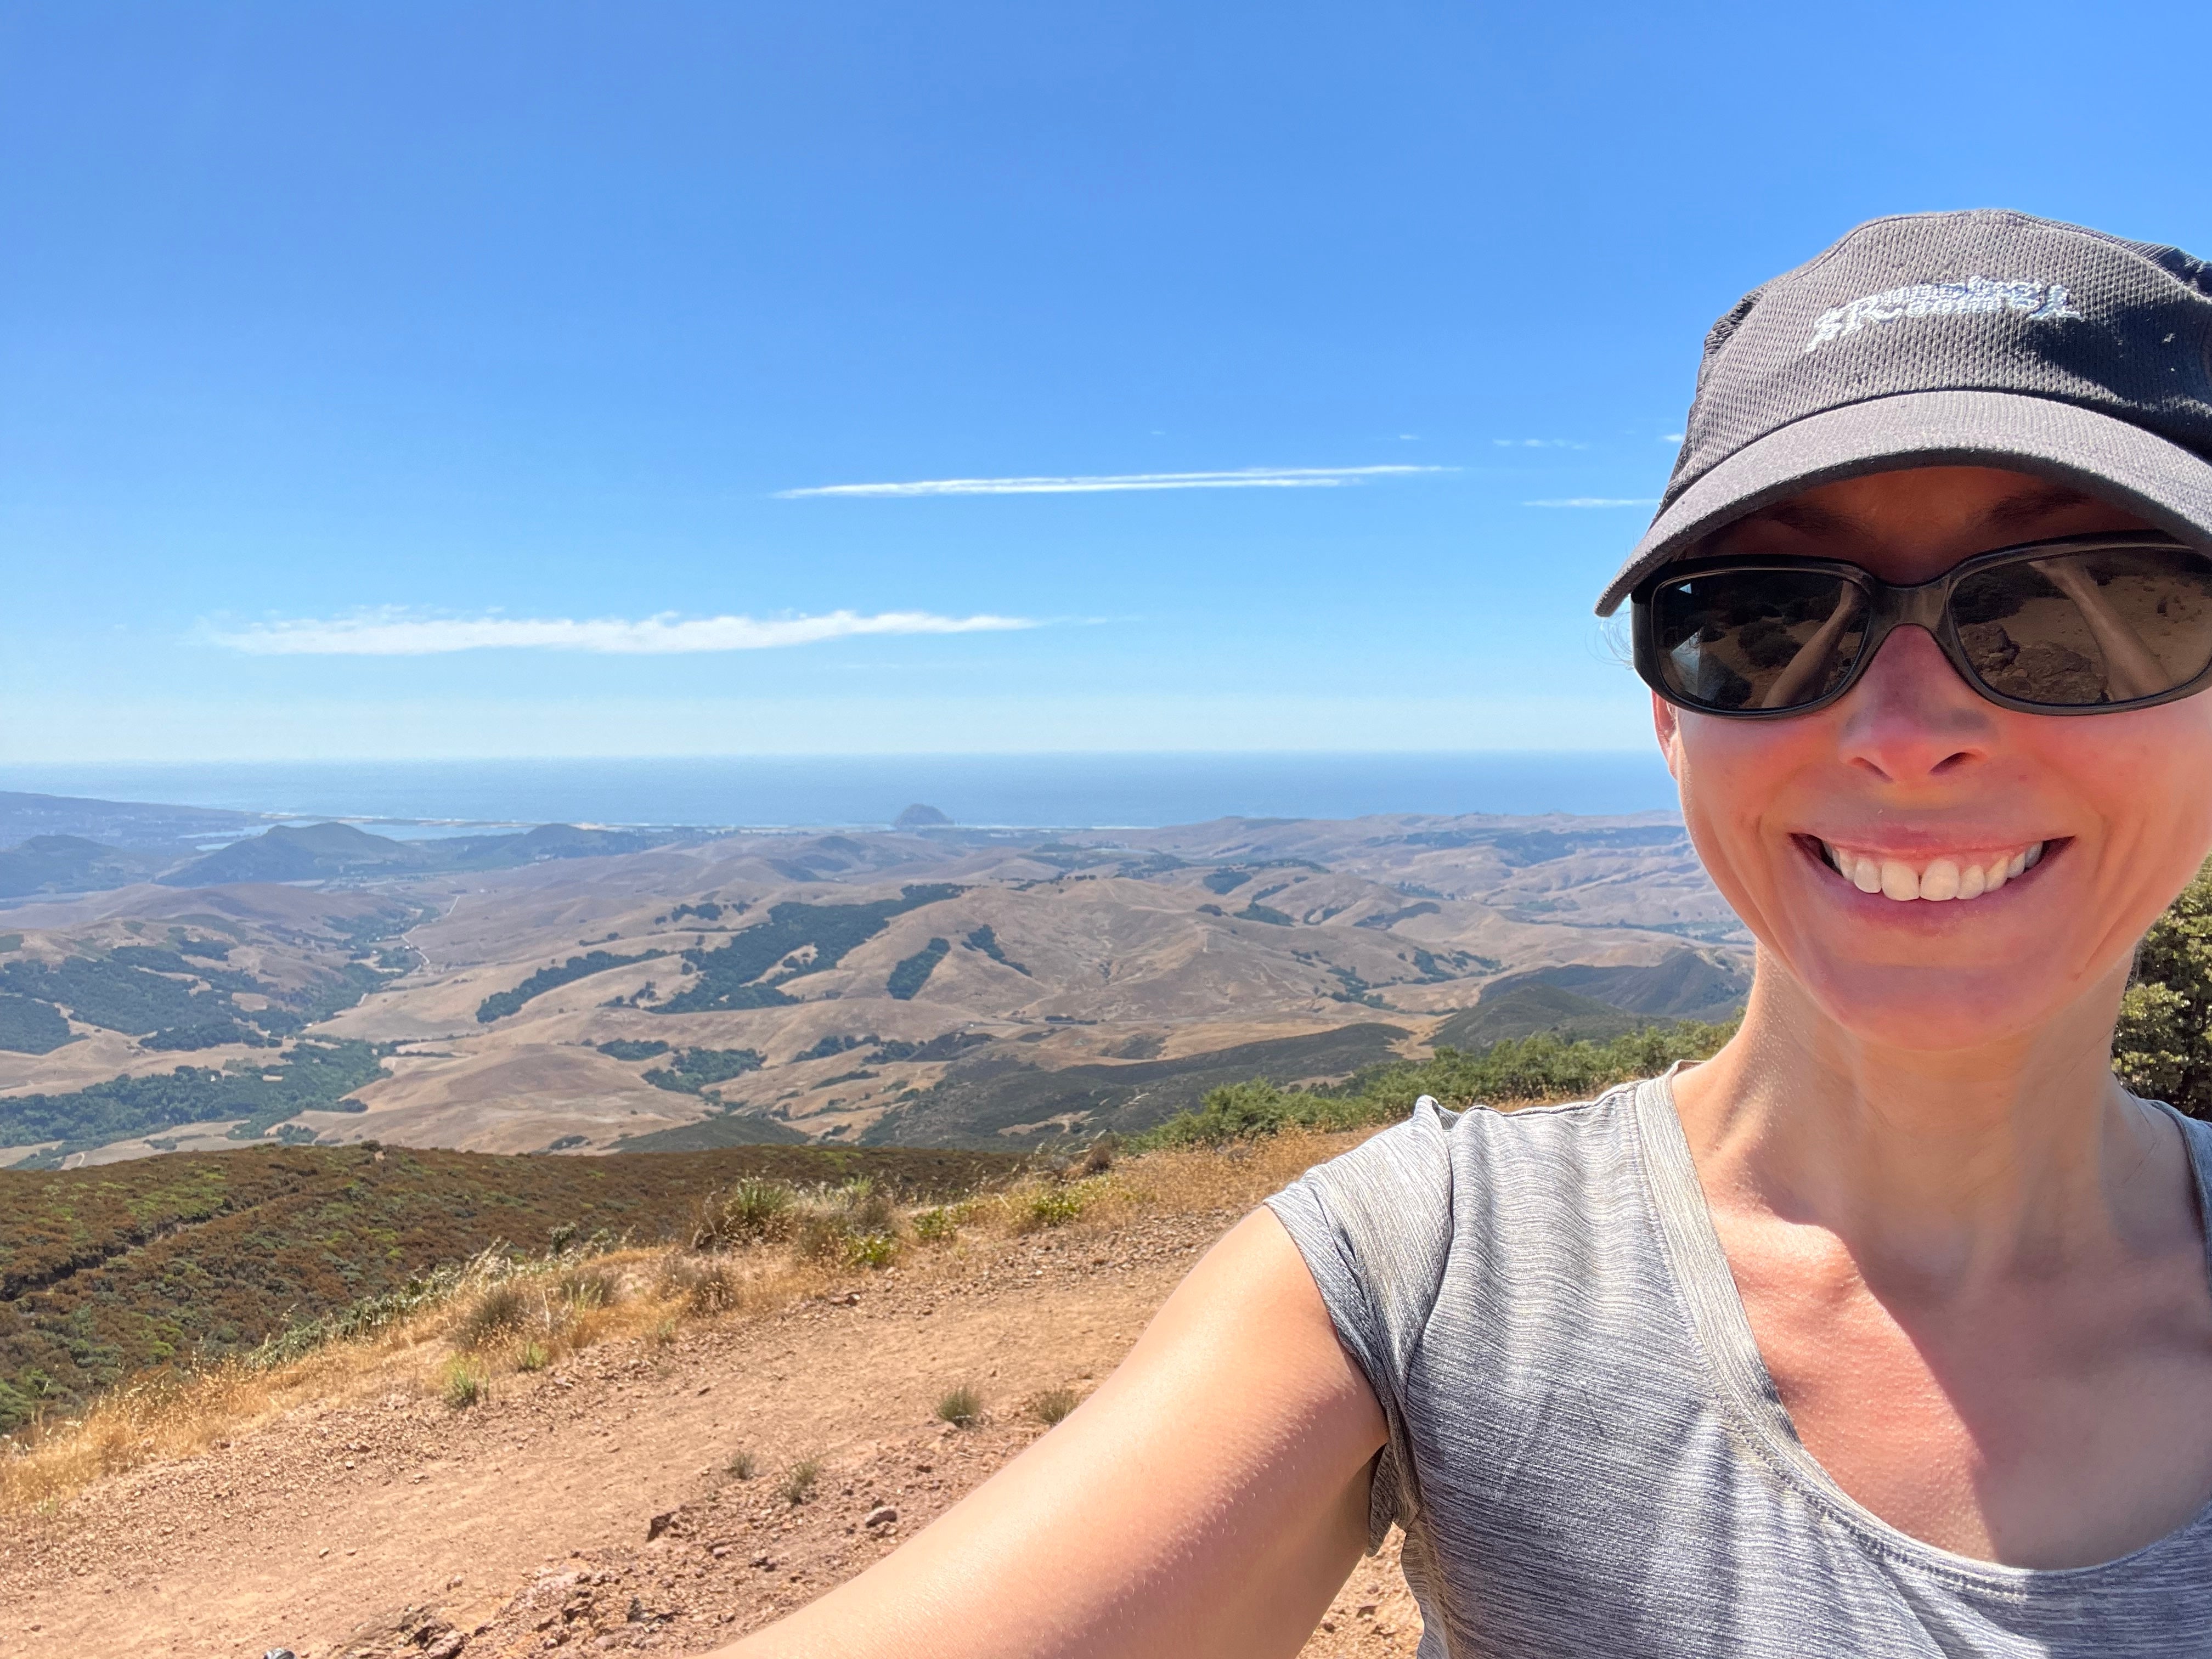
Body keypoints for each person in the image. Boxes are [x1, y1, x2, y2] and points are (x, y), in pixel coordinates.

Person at [718, 211, 2212, 1656]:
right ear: (1669, 716)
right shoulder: (1429, 1273)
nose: (1901, 732)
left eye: (2084, 609)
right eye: (1762, 616)